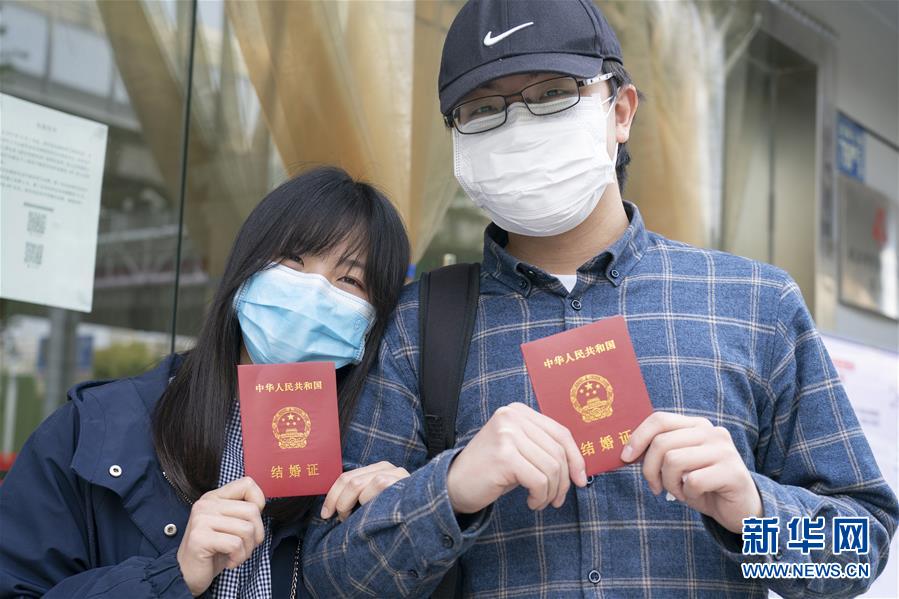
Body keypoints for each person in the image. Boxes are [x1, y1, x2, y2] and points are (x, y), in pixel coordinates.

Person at [301, 1, 899, 597]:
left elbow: (859, 554)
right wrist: (450, 490)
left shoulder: (754, 304)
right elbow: (330, 574)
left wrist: (754, 513)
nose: (518, 126)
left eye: (553, 94)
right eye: (483, 109)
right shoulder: (416, 323)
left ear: (622, 110)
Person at [0, 166, 412, 598]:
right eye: (294, 259)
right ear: (246, 265)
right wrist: (172, 576)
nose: (313, 290)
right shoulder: (95, 430)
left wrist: (401, 526)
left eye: (349, 279)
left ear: (374, 320)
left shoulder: (367, 455)